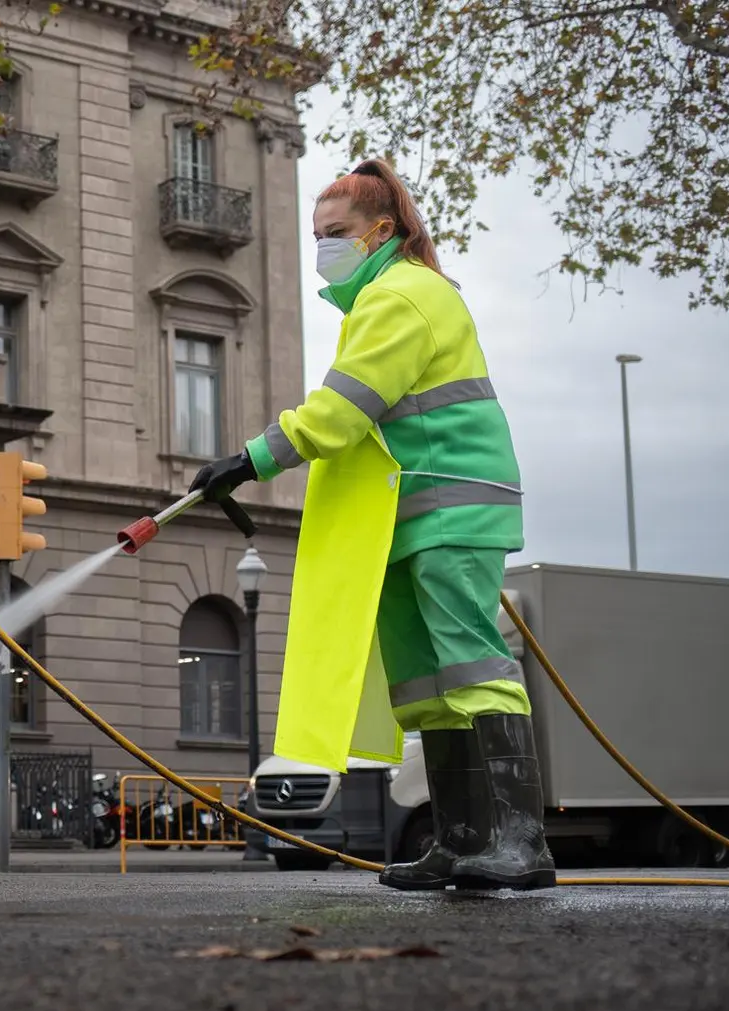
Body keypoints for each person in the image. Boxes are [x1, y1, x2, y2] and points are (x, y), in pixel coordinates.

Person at [189, 159, 555, 892]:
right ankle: (460, 841)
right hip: (413, 513)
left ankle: (523, 845)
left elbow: (341, 412)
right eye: (317, 235)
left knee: (477, 669)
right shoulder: (383, 300)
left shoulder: (403, 297)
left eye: (336, 234)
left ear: (381, 232)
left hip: (451, 506)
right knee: (430, 684)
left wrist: (248, 458)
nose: (324, 248)